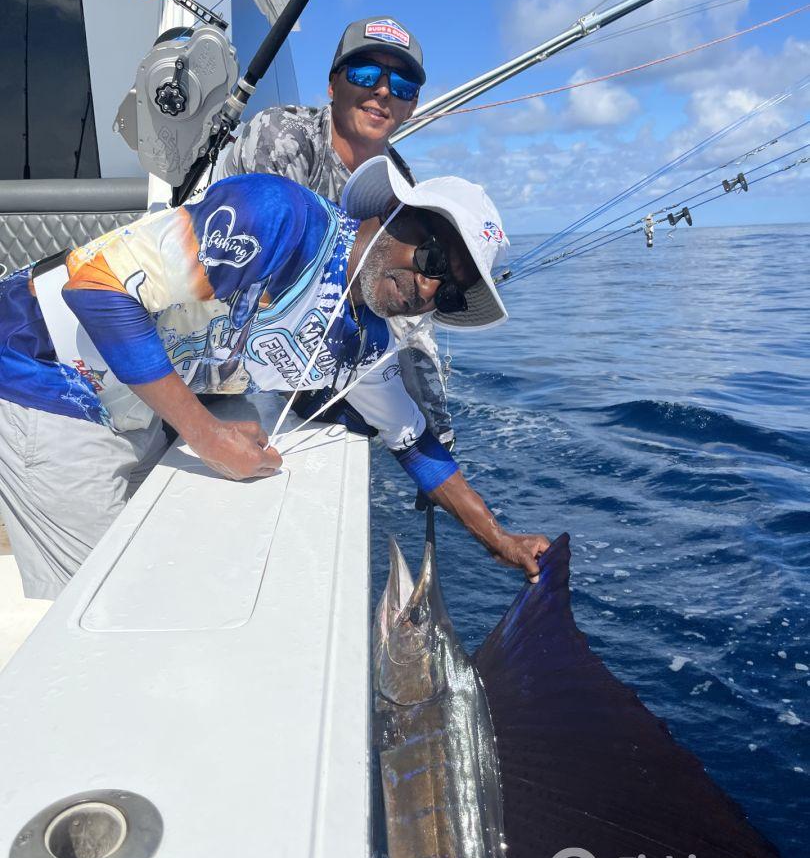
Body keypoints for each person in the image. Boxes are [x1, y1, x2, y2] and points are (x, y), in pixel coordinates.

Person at [0, 157, 550, 600]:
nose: (429, 291)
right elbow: (96, 287)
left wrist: (498, 539)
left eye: (448, 291)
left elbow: (412, 442)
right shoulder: (279, 216)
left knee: (154, 581)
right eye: (433, 259)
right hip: (42, 373)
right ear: (388, 212)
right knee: (97, 607)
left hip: (132, 406)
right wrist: (205, 434)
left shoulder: (363, 339)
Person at [214, 16, 452, 445]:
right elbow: (269, 285)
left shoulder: (398, 183)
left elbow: (411, 321)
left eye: (401, 86)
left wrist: (432, 425)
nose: (382, 91)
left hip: (312, 360)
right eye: (364, 73)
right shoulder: (283, 136)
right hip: (214, 347)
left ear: (411, 105)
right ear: (332, 84)